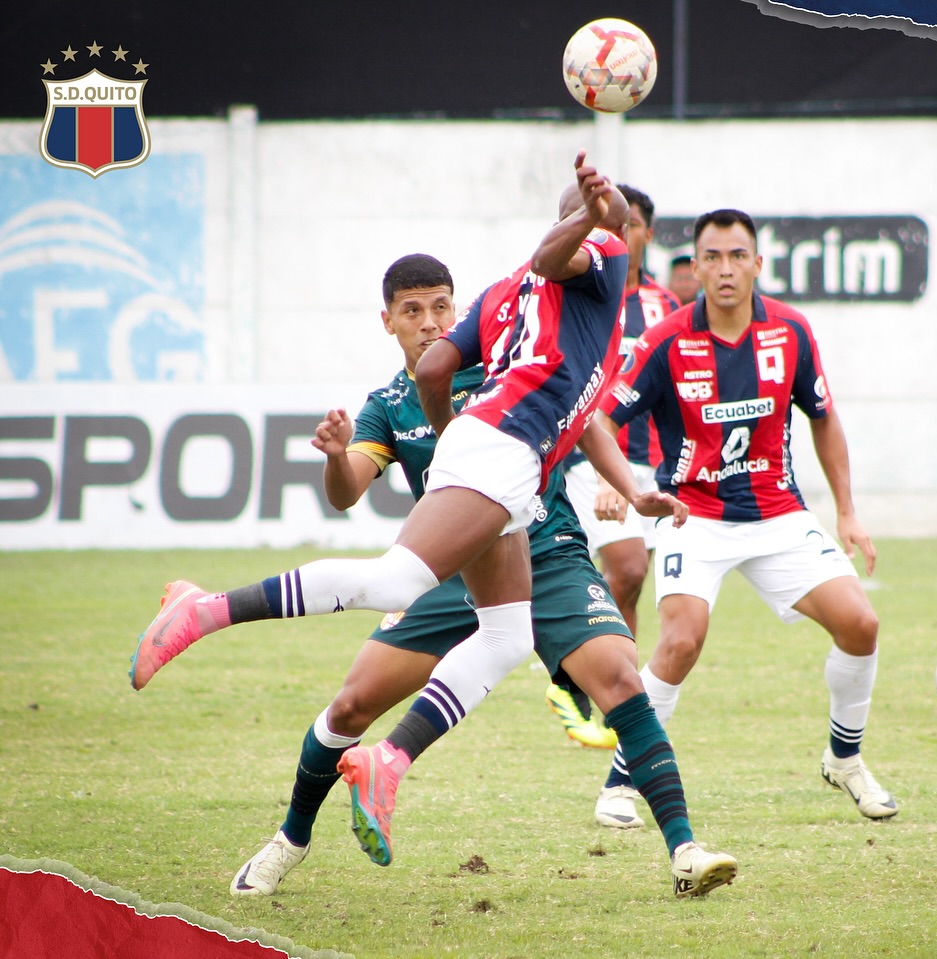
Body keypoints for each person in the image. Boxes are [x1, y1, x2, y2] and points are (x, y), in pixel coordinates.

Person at [131, 154, 737, 898]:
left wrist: (629, 488)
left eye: (436, 306)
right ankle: (212, 622)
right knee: (369, 649)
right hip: (489, 480)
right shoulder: (579, 269)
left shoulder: (500, 311)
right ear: (387, 318)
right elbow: (360, 475)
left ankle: (677, 848)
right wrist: (593, 218)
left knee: (535, 646)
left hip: (531, 529)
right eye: (411, 310)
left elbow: (484, 386)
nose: (428, 321)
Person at [590, 208, 897, 830]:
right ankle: (621, 784)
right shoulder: (667, 340)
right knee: (679, 643)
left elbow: (823, 416)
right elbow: (601, 418)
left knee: (861, 624)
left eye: (738, 256)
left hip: (777, 513)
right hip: (692, 516)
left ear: (758, 263)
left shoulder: (791, 332)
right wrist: (611, 478)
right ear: (695, 266)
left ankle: (844, 758)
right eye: (713, 257)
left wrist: (847, 510)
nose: (726, 269)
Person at [548, 184, 680, 750]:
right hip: (589, 457)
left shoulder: (665, 308)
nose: (619, 235)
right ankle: (565, 672)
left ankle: (607, 693)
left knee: (629, 583)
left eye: (629, 226)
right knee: (624, 568)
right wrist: (608, 474)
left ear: (645, 234)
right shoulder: (576, 293)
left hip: (652, 464)